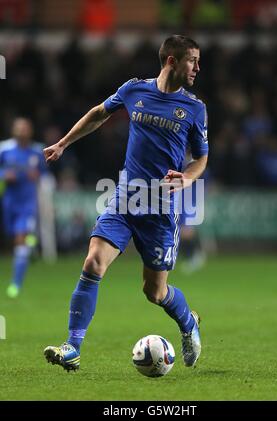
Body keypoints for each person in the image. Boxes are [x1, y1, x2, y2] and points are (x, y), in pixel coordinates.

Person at [43, 35, 208, 371]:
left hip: (161, 207)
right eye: (192, 60)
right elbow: (98, 114)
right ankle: (72, 347)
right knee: (93, 263)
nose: (197, 67)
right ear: (171, 61)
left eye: (198, 60)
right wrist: (63, 143)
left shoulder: (194, 108)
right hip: (125, 198)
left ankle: (188, 323)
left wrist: (189, 178)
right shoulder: (134, 90)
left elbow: (201, 158)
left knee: (155, 292)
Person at [0, 117, 47, 298]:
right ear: (13, 130)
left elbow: (44, 173)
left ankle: (15, 285)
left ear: (30, 131)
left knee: (20, 241)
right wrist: (4, 174)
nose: (22, 131)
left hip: (28, 204)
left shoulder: (36, 152)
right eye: (19, 128)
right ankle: (31, 245)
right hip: (9, 203)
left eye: (25, 128)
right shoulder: (4, 149)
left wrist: (38, 175)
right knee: (17, 240)